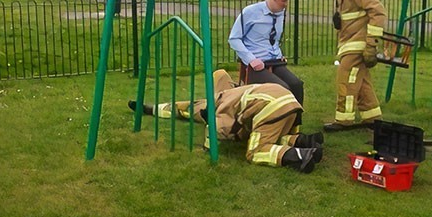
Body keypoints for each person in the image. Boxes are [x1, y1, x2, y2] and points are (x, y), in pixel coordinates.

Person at [128, 69, 323, 173]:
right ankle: (302, 142)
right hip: (289, 101)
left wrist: (208, 138)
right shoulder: (233, 91)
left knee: (255, 151)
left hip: (270, 108)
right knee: (272, 134)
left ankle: (298, 156)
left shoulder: (220, 105)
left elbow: (220, 130)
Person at [319, 0, 386, 131]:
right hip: (347, 41)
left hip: (359, 42)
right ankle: (372, 118)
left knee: (346, 78)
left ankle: (343, 119)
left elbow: (377, 13)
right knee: (361, 80)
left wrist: (371, 45)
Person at [228, 0, 304, 106]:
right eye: (282, 1)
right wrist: (251, 60)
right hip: (255, 66)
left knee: (296, 85)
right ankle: (277, 123)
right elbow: (234, 39)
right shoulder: (250, 12)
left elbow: (273, 40)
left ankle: (294, 124)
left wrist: (278, 54)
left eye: (287, 1)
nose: (286, 5)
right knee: (281, 89)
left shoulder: (280, 14)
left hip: (274, 62)